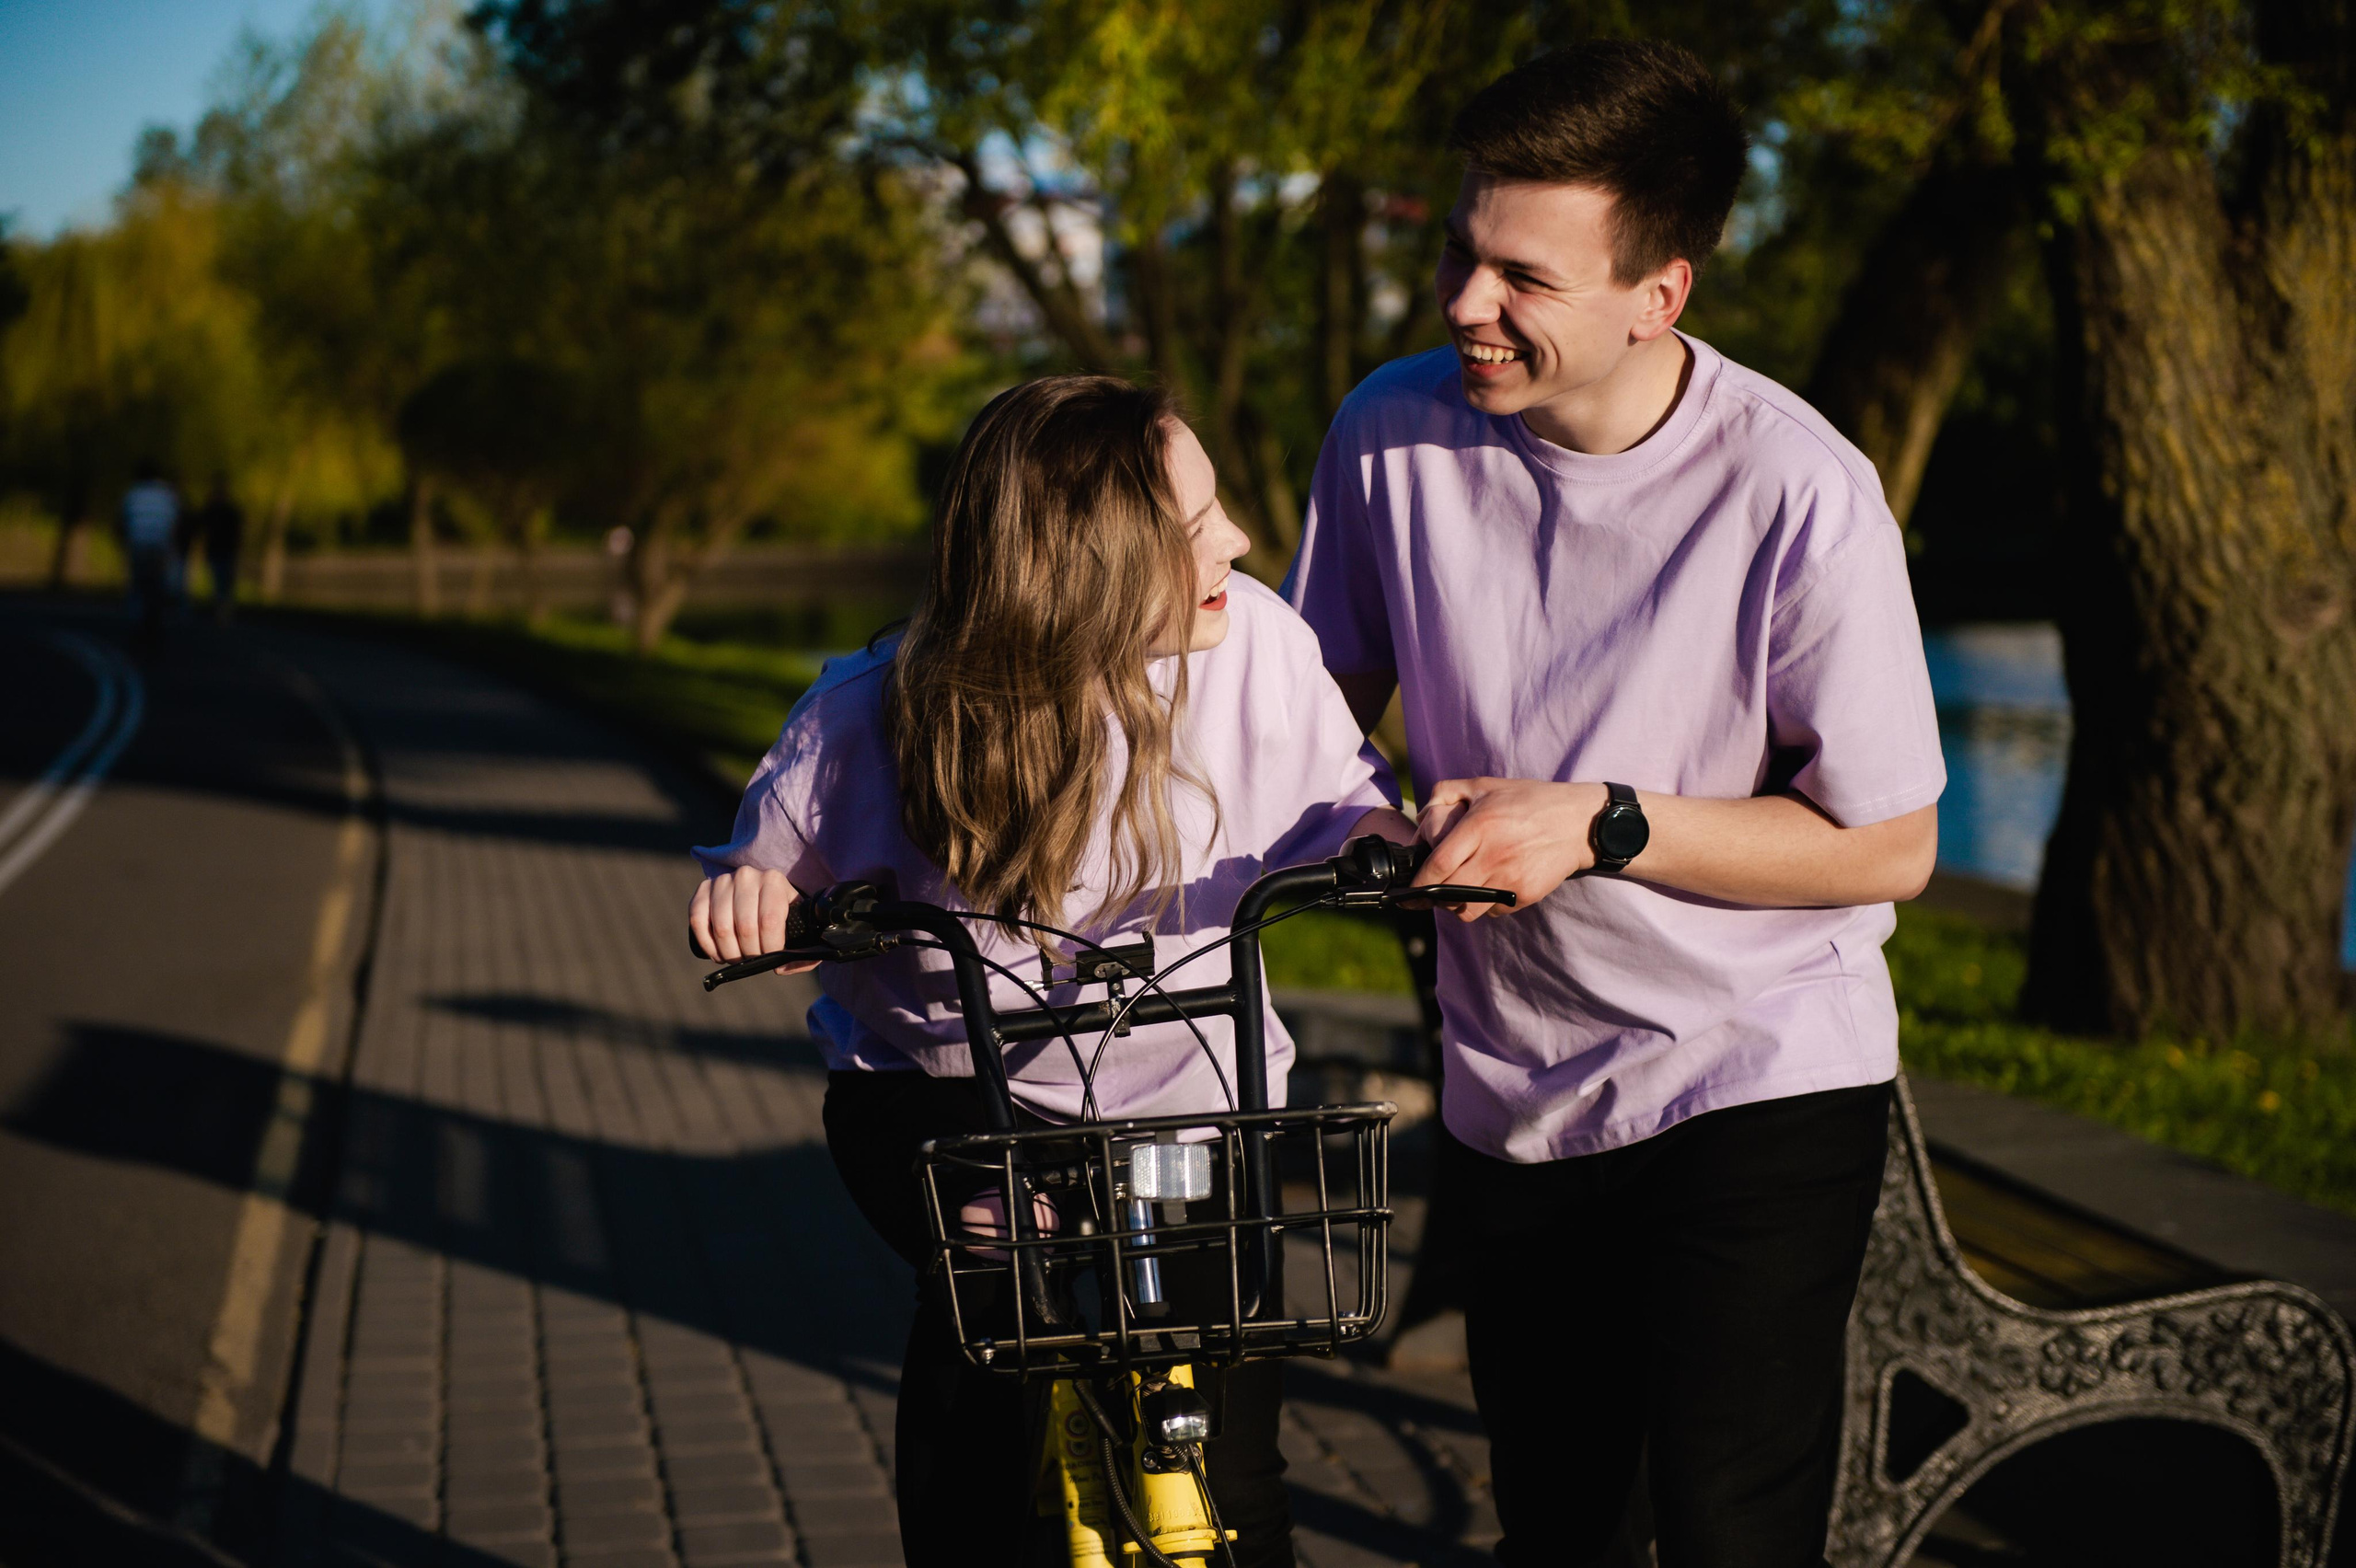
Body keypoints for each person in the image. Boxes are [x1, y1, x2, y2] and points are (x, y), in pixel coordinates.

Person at [1283, 41, 1946, 1568]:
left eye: (1523, 275)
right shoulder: (1390, 432)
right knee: (1563, 1521)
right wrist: (1364, 825)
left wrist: (1604, 821)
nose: (1465, 301)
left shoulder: (1800, 489)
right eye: (1462, 249)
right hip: (1518, 1077)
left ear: (1661, 294)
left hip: (1758, 1067)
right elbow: (1305, 728)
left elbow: (1893, 842)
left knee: (1726, 1525)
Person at [689, 375, 1415, 1568]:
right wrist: (755, 900)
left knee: (1234, 1460)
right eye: (1193, 530)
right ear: (1084, 568)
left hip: (1192, 1085)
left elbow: (1346, 797)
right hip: (947, 1090)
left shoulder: (1258, 648)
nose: (1235, 542)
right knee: (997, 1266)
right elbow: (761, 878)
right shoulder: (870, 714)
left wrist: (1378, 844)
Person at [118, 461, 181, 645]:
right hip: (160, 547)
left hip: (138, 546)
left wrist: (125, 543)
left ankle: (136, 626)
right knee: (157, 587)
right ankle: (155, 626)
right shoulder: (167, 494)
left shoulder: (132, 493)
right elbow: (174, 523)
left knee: (138, 586)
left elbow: (123, 521)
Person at [185, 473, 245, 621]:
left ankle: (222, 610)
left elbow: (199, 525)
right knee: (222, 581)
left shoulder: (219, 509)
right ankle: (222, 611)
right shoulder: (226, 509)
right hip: (220, 550)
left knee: (222, 581)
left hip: (222, 550)